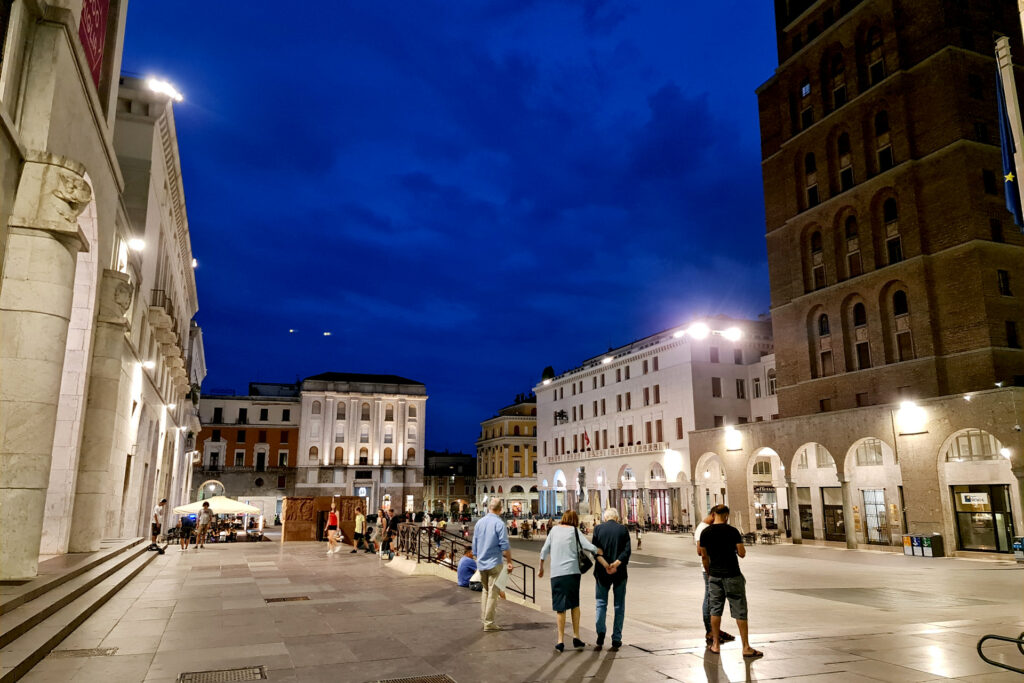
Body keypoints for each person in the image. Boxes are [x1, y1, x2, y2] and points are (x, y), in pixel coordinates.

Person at [700, 505, 762, 659]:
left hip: (714, 576)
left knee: (715, 609)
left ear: (713, 515)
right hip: (732, 574)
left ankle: (715, 644)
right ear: (726, 515)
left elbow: (703, 556)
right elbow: (742, 553)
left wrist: (709, 573)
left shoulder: (705, 532)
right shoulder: (732, 531)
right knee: (740, 610)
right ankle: (746, 647)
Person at [538, 510, 605, 652]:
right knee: (574, 604)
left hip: (557, 574)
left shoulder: (554, 530)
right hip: (572, 573)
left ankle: (560, 641)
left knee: (560, 608)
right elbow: (587, 545)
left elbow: (544, 550)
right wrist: (598, 551)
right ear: (574, 519)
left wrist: (541, 568)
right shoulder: (574, 531)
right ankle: (576, 637)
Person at [695, 506, 736, 646]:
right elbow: (700, 552)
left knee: (715, 601)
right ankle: (710, 631)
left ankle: (715, 630)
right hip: (710, 570)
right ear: (713, 515)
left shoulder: (710, 528)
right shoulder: (702, 529)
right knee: (710, 599)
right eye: (722, 517)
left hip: (718, 569)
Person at [592, 507, 631, 650]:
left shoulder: (598, 529)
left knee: (601, 603)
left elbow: (595, 551)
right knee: (619, 606)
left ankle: (601, 632)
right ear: (617, 517)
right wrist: (615, 564)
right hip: (619, 572)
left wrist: (606, 565)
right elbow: (627, 551)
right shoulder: (623, 529)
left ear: (605, 517)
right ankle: (616, 638)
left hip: (602, 572)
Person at [472, 498, 513, 632]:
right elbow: (505, 546)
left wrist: (477, 557)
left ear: (489, 508)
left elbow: (475, 543)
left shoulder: (479, 522)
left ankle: (485, 619)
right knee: (493, 593)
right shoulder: (499, 523)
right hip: (494, 563)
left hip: (482, 563)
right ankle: (489, 623)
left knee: (485, 591)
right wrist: (510, 562)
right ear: (500, 510)